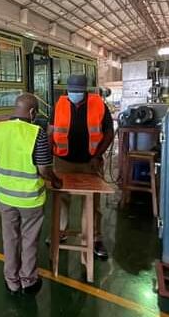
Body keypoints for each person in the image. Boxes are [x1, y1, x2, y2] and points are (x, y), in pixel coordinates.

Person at [0, 94, 62, 295]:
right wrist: (56, 181)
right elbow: (44, 169)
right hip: (30, 200)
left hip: (5, 197)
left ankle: (11, 281)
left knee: (10, 238)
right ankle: (28, 281)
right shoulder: (36, 133)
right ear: (32, 112)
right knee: (29, 239)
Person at [49, 75, 114, 259]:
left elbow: (109, 132)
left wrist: (97, 155)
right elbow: (50, 131)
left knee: (93, 202)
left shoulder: (99, 104)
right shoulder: (59, 104)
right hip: (64, 162)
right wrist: (47, 157)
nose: (74, 95)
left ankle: (95, 238)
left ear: (85, 91)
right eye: (71, 91)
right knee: (62, 200)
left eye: (77, 92)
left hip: (90, 163)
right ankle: (60, 232)